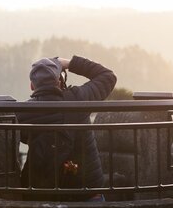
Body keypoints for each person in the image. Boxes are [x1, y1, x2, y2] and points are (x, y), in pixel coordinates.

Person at [18, 55, 116, 200]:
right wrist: (69, 63)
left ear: (32, 86)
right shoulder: (77, 99)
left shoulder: (23, 113)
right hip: (86, 190)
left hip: (43, 193)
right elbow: (108, 76)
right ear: (59, 81)